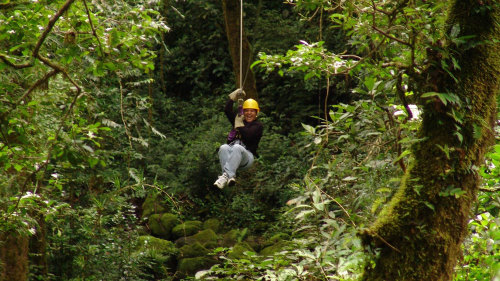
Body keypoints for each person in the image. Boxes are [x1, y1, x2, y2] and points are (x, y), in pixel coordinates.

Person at [214, 89, 263, 189]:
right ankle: (229, 176)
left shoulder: (258, 126)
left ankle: (226, 175)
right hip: (232, 155)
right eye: (246, 111)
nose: (249, 113)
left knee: (237, 147)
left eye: (252, 111)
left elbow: (248, 135)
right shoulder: (239, 121)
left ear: (256, 113)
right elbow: (227, 111)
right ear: (243, 112)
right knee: (223, 147)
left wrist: (239, 124)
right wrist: (232, 98)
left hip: (247, 157)